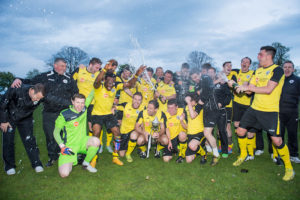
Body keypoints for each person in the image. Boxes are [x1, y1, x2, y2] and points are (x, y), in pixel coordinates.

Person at [233, 46, 294, 181]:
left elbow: (268, 89)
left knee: (277, 140)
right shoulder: (258, 71)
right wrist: (240, 87)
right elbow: (250, 91)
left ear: (268, 56)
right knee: (240, 131)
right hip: (254, 109)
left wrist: (248, 87)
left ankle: (289, 168)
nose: (258, 57)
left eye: (260, 54)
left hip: (270, 111)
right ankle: (243, 155)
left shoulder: (277, 70)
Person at [11, 58, 79, 167]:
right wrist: (17, 79)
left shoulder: (69, 78)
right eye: (61, 66)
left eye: (65, 66)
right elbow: (30, 82)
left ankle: (66, 155)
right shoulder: (45, 76)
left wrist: (76, 104)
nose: (64, 68)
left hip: (66, 113)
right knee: (51, 136)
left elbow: (75, 93)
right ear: (55, 65)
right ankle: (53, 157)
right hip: (49, 113)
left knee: (67, 136)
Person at [91, 62, 145, 166]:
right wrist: (104, 70)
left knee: (117, 133)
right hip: (97, 114)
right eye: (109, 82)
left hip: (108, 114)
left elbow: (129, 84)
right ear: (105, 80)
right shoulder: (99, 87)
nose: (111, 84)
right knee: (96, 133)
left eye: (113, 82)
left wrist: (137, 74)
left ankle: (115, 157)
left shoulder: (115, 87)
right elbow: (96, 82)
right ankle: (94, 158)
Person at [0, 83, 45, 175]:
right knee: (8, 141)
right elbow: (3, 104)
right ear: (32, 90)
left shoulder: (39, 97)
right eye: (37, 97)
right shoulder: (16, 90)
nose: (38, 100)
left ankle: (36, 163)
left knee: (29, 140)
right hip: (9, 118)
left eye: (40, 99)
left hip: (26, 118)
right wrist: (3, 121)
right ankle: (9, 166)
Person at [53, 92, 100, 177]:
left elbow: (91, 93)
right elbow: (56, 132)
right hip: (70, 146)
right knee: (64, 174)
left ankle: (85, 163)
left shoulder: (84, 108)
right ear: (72, 101)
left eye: (82, 102)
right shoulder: (64, 114)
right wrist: (62, 146)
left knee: (96, 141)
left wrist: (98, 80)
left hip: (82, 142)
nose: (80, 105)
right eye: (77, 102)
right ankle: (74, 158)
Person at [72, 57, 102, 158]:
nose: (98, 69)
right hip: (79, 104)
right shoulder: (79, 70)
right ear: (90, 65)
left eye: (99, 68)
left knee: (91, 126)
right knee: (77, 126)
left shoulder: (99, 74)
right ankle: (77, 148)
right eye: (96, 67)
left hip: (92, 103)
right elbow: (70, 83)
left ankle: (91, 146)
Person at [203, 67, 232, 162]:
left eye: (212, 72)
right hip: (210, 112)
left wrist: (222, 103)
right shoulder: (207, 83)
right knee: (209, 131)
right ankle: (211, 148)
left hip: (221, 111)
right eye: (209, 72)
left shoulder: (223, 83)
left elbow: (229, 96)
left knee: (222, 131)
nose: (211, 73)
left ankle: (224, 151)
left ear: (215, 73)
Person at [230, 57, 256, 160]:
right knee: (237, 125)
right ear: (240, 63)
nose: (244, 63)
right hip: (236, 103)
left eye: (247, 62)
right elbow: (236, 90)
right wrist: (242, 87)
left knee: (248, 127)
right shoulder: (236, 73)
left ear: (249, 64)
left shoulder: (253, 73)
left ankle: (250, 152)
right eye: (243, 62)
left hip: (248, 105)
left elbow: (250, 92)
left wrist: (245, 87)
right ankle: (242, 149)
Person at [280, 60, 300, 163]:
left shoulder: (297, 80)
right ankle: (281, 154)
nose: (287, 69)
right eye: (285, 67)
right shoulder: (279, 80)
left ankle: (293, 154)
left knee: (292, 134)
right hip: (279, 112)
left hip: (292, 112)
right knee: (280, 134)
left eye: (289, 67)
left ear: (293, 69)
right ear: (282, 68)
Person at [118, 92, 143, 162]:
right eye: (135, 99)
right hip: (124, 132)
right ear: (132, 99)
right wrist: (113, 108)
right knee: (121, 154)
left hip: (134, 131)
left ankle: (128, 154)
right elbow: (115, 106)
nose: (137, 101)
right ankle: (128, 146)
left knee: (134, 135)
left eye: (139, 100)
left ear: (141, 101)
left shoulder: (142, 109)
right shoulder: (125, 105)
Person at [162, 99, 188, 163]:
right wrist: (169, 141)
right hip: (171, 137)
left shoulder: (182, 111)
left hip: (180, 136)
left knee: (182, 135)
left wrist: (181, 121)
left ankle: (181, 155)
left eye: (172, 108)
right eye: (168, 108)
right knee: (166, 159)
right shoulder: (165, 115)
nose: (170, 110)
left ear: (177, 107)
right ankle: (176, 150)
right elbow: (167, 129)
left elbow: (187, 127)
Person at [184, 93, 206, 164]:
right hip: (190, 133)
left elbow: (193, 115)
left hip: (199, 133)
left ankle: (203, 153)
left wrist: (189, 103)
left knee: (192, 145)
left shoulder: (199, 107)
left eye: (190, 100)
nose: (189, 102)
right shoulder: (187, 107)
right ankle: (196, 150)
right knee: (188, 160)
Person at [222, 61, 237, 154]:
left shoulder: (233, 76)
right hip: (219, 105)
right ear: (223, 67)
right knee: (220, 127)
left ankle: (230, 145)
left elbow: (232, 86)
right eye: (227, 66)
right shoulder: (219, 75)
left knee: (227, 126)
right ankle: (221, 144)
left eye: (230, 66)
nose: (229, 67)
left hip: (228, 105)